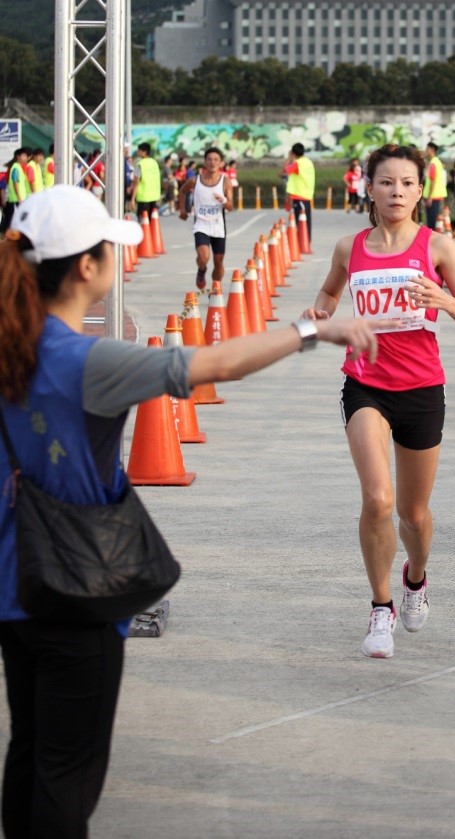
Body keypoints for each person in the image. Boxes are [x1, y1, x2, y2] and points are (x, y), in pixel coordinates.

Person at [0, 185, 383, 838]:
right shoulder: (87, 361)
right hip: (76, 588)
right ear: (85, 267)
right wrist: (313, 327)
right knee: (67, 775)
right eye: (108, 250)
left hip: (14, 585)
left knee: (31, 749)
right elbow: (217, 362)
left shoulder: (13, 343)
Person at [303, 143, 455, 659]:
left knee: (414, 514)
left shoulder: (439, 248)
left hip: (423, 390)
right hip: (365, 385)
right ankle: (380, 608)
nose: (397, 191)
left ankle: (415, 578)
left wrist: (445, 299)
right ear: (369, 187)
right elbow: (327, 296)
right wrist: (319, 316)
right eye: (387, 182)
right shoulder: (349, 247)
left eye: (407, 182)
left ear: (421, 190)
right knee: (377, 500)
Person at [177, 145, 233, 292]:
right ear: (204, 162)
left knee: (219, 262)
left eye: (216, 160)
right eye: (209, 159)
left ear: (221, 163)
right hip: (201, 225)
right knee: (204, 257)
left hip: (218, 226)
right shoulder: (195, 180)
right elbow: (182, 192)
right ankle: (201, 269)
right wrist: (183, 210)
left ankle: (215, 288)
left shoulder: (225, 182)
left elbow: (231, 207)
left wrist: (224, 200)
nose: (212, 162)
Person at [284, 142, 315, 239]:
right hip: (307, 195)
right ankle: (306, 241)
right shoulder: (308, 162)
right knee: (305, 221)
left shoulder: (298, 164)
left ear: (293, 152)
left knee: (300, 221)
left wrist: (290, 159)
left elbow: (285, 171)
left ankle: (302, 242)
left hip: (299, 195)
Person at [0, 149, 29, 235]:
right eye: (23, 155)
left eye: (26, 156)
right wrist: (19, 197)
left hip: (19, 198)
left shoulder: (18, 167)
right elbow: (15, 182)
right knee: (11, 219)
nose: (25, 157)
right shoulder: (15, 167)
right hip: (15, 199)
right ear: (18, 157)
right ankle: (5, 236)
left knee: (13, 218)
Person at [422, 141, 448, 229]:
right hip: (436, 196)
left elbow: (433, 181)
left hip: (433, 197)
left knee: (431, 221)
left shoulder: (433, 163)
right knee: (433, 219)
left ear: (432, 150)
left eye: (427, 149)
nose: (426, 151)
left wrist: (429, 197)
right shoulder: (437, 162)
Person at [133, 142, 161, 218]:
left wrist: (132, 199)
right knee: (152, 221)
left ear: (144, 151)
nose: (138, 152)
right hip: (154, 197)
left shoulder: (140, 164)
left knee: (143, 221)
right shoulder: (154, 163)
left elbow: (136, 182)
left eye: (139, 150)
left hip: (143, 197)